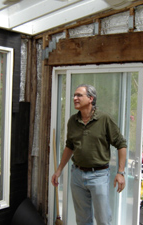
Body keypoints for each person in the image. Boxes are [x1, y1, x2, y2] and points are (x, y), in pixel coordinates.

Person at [51, 84, 127, 225]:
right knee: (82, 220)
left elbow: (121, 144)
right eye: (74, 95)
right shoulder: (72, 121)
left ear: (91, 98)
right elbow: (70, 146)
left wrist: (121, 172)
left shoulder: (104, 119)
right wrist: (59, 169)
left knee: (103, 219)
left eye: (79, 95)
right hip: (77, 175)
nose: (75, 98)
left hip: (99, 175)